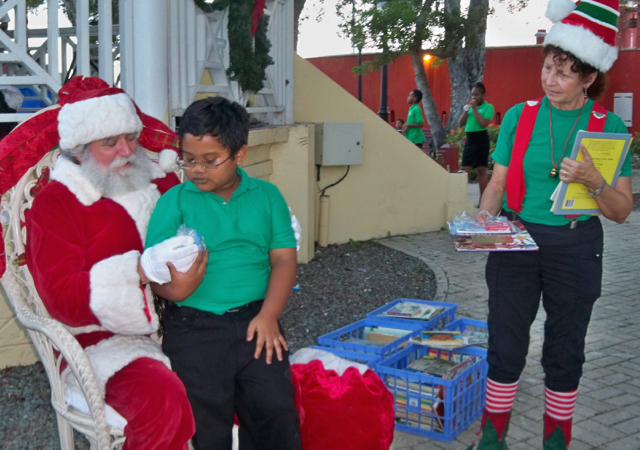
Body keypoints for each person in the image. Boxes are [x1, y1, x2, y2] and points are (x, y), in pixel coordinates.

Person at [0, 76, 205, 449]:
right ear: (79, 149)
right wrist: (140, 270)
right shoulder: (56, 203)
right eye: (109, 142)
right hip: (102, 342)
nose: (127, 150)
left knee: (257, 379)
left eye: (130, 137)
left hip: (187, 320)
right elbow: (61, 298)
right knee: (164, 402)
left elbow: (212, 231)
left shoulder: (158, 183)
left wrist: (261, 224)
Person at [472, 1, 632, 449]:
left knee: (565, 350)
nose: (549, 79)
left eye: (563, 72)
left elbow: (621, 211)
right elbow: (497, 183)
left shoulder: (609, 125)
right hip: (517, 240)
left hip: (577, 245)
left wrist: (594, 180)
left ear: (589, 78)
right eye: (548, 67)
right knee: (505, 344)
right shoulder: (520, 117)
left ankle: (556, 442)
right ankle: (491, 438)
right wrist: (485, 216)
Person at [146, 97, 302, 449]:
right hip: (193, 328)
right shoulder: (175, 201)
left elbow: (283, 260)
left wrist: (269, 315)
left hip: (257, 322)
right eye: (189, 160)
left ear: (240, 155)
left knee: (276, 412)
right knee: (204, 423)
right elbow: (153, 269)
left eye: (210, 160)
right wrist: (175, 292)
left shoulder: (267, 196)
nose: (197, 169)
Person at [459, 82, 494, 201]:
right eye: (472, 95)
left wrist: (474, 109)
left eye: (477, 95)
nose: (474, 97)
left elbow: (484, 123)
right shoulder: (470, 108)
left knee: (481, 169)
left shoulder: (488, 107)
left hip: (481, 139)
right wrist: (465, 110)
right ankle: (460, 198)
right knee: (465, 169)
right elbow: (461, 123)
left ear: (483, 95)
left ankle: (483, 198)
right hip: (470, 139)